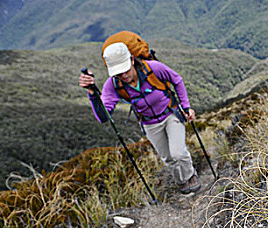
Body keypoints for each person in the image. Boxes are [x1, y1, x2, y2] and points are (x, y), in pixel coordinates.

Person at [78, 42, 201, 194]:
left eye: (125, 70)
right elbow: (104, 116)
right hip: (149, 124)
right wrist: (92, 93)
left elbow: (177, 80)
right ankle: (181, 181)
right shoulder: (113, 85)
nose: (123, 75)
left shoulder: (153, 68)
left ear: (131, 60)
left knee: (178, 153)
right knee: (168, 158)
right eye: (118, 73)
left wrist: (186, 106)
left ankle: (190, 175)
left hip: (170, 114)